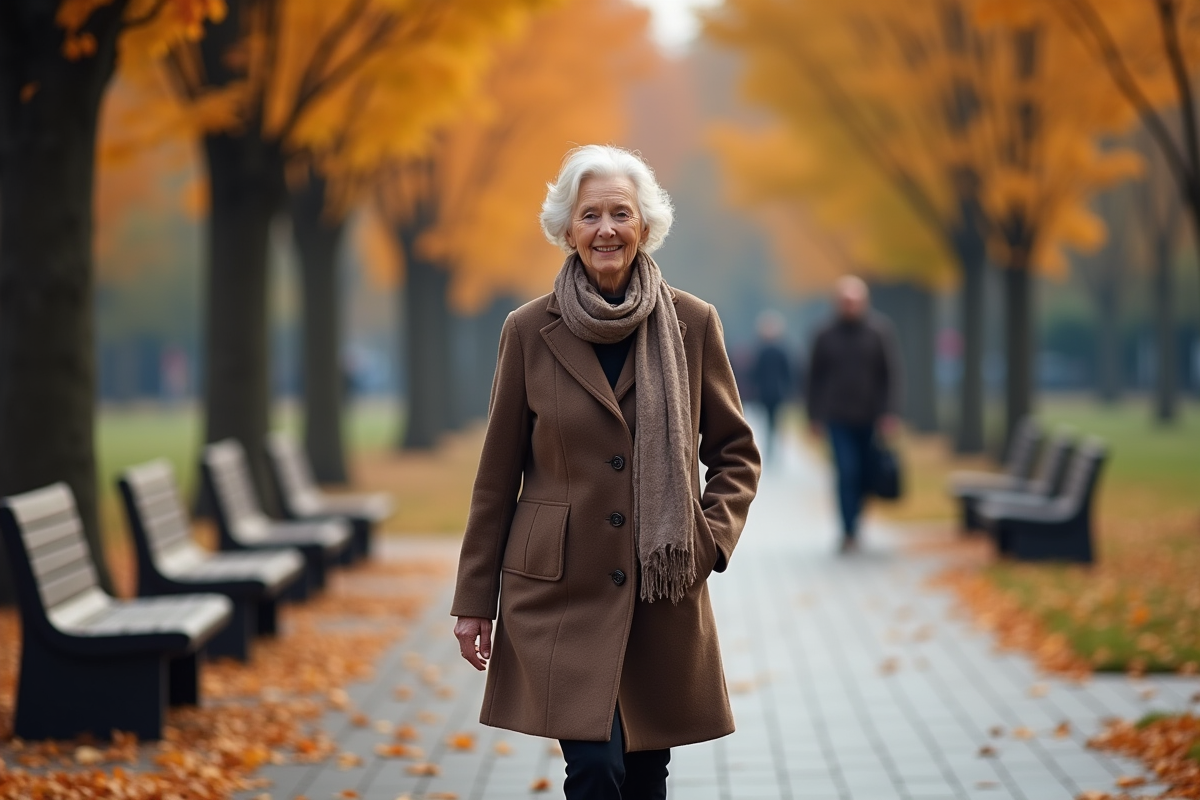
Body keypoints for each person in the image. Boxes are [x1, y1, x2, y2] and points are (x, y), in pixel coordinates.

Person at [451, 144, 761, 800]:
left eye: (621, 213)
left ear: (646, 226)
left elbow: (736, 452)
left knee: (647, 771)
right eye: (590, 215)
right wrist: (474, 602)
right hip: (561, 591)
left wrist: (709, 540)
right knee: (594, 768)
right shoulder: (529, 330)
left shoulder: (692, 323)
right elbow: (496, 475)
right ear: (567, 230)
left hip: (661, 592)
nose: (606, 229)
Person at [805, 276, 901, 553]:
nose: (850, 306)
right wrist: (814, 416)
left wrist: (889, 413)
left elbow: (890, 374)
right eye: (845, 301)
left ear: (864, 302)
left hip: (870, 416)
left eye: (855, 301)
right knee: (846, 472)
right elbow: (813, 377)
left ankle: (857, 520)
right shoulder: (824, 334)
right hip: (837, 417)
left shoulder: (879, 332)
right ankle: (848, 530)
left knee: (864, 474)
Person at [749, 310, 792, 460]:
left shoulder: (779, 350)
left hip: (776, 392)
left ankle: (773, 449)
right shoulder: (761, 350)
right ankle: (770, 448)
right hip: (765, 392)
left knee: (774, 422)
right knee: (769, 422)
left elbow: (788, 372)